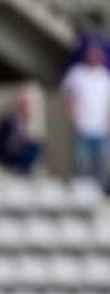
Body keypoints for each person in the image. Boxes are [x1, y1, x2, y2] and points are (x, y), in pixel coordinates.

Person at [61, 42, 109, 190]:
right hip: (82, 127)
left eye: (98, 54)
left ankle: (100, 194)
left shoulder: (104, 76)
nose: (95, 57)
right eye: (92, 54)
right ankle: (82, 195)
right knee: (81, 164)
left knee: (101, 164)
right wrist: (72, 119)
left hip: (100, 129)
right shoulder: (76, 74)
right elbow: (68, 98)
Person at [0, 89, 42, 175]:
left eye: (25, 105)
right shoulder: (8, 121)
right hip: (5, 158)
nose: (23, 108)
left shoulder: (27, 122)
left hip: (19, 158)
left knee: (35, 145)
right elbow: (3, 144)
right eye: (21, 104)